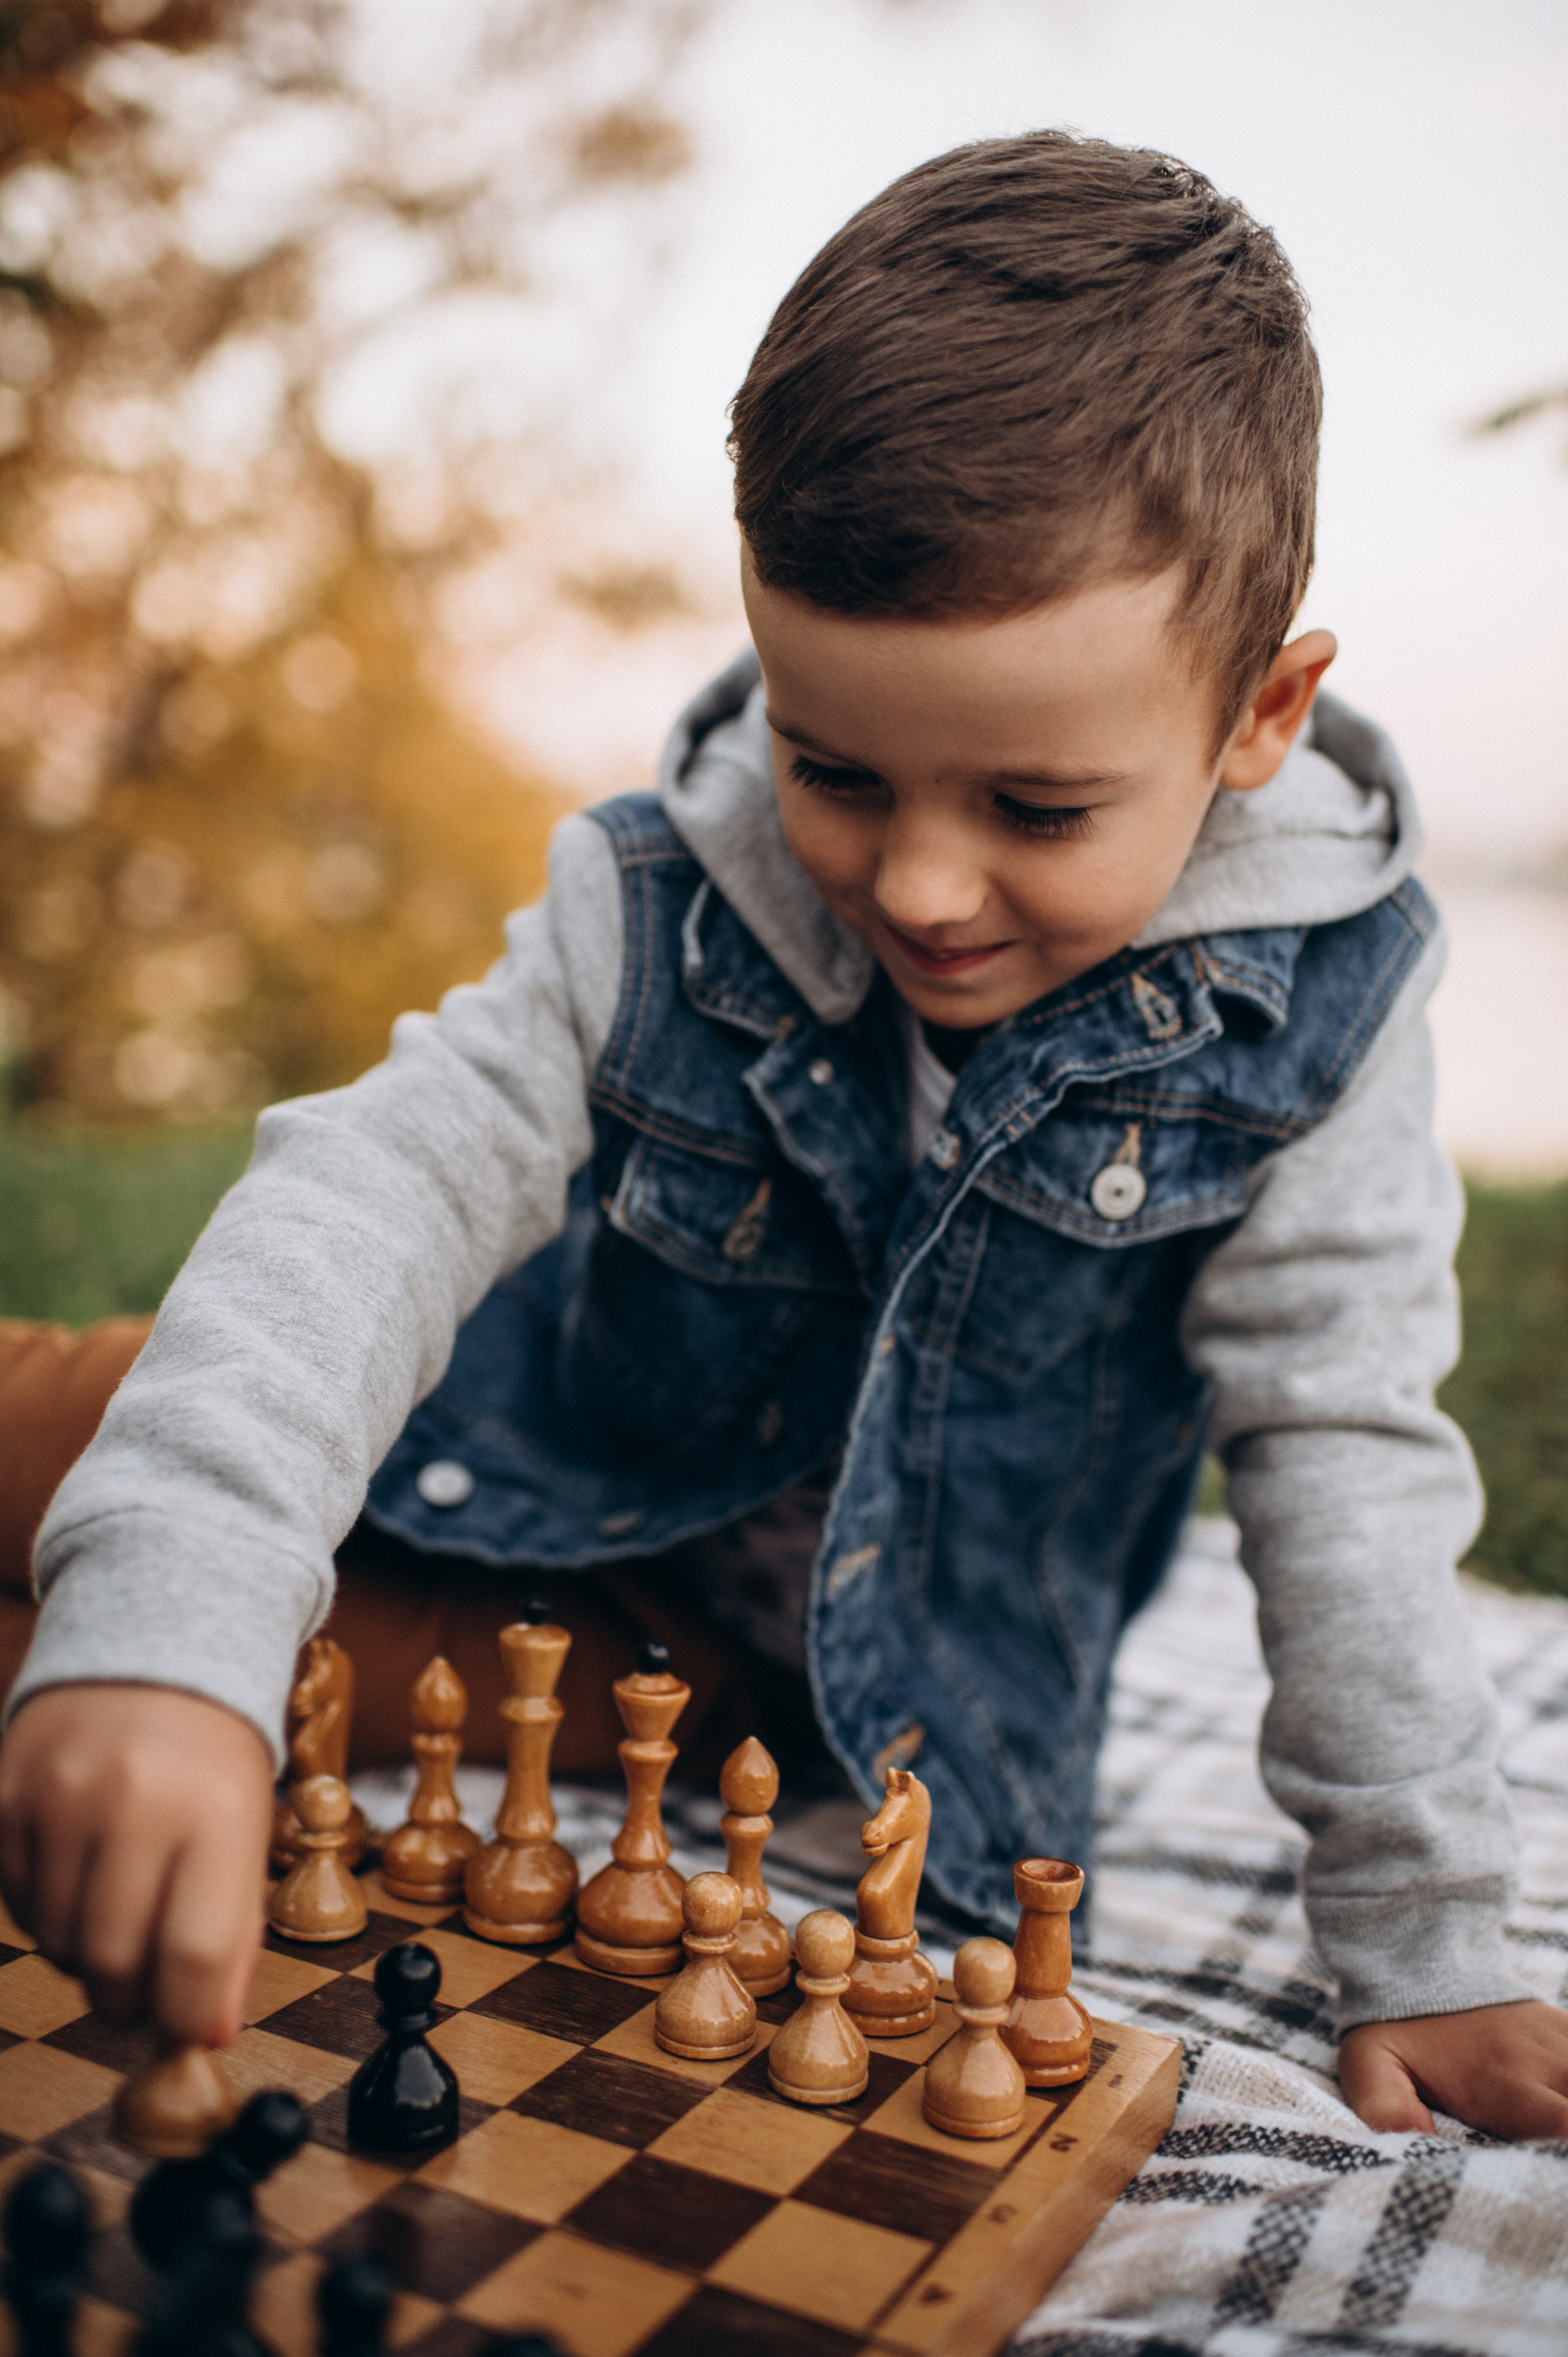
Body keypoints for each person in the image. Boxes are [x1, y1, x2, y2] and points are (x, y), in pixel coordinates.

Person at [3, 131, 1565, 2143]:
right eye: (832, 768)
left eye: (1033, 808)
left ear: (1262, 715)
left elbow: (1342, 1448)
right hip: (461, 1431)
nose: (918, 884)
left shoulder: (1320, 1016)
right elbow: (383, 1185)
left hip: (695, 1671)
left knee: (72, 1759)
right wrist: (177, 1613)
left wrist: (1431, 1941)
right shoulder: (662, 893)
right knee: (110, 1538)